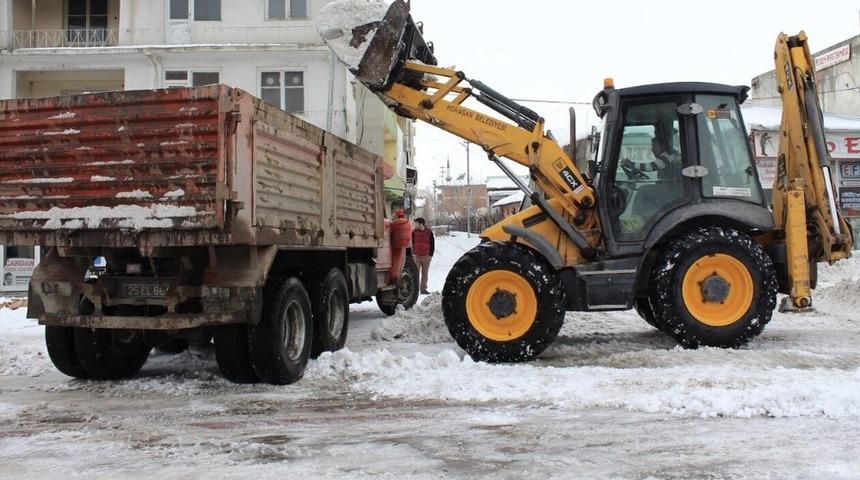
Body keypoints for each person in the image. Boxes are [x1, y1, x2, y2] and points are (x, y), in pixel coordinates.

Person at [411, 217, 435, 295]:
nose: (415, 225)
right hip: (416, 256)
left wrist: (430, 255)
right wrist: (412, 254)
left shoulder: (429, 232)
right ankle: (415, 289)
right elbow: (411, 243)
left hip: (426, 256)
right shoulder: (414, 232)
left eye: (416, 224)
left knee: (425, 274)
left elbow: (432, 243)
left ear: (421, 224)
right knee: (416, 273)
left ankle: (423, 289)